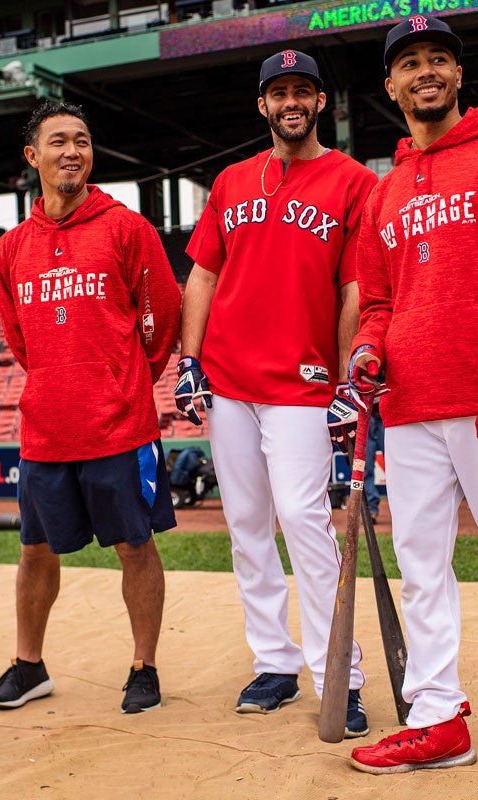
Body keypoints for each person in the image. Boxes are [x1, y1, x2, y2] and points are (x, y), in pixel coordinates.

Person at [346, 17, 478, 774]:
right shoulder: (385, 190)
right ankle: (438, 715)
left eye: (440, 58)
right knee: (421, 565)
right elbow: (376, 301)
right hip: (408, 406)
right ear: (391, 86)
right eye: (410, 63)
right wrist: (368, 350)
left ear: (459, 75)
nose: (426, 71)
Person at [175, 50, 378, 738]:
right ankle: (275, 661)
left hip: (302, 382)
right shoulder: (232, 182)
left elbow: (354, 288)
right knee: (247, 527)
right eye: (278, 92)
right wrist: (189, 359)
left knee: (303, 518)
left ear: (321, 102)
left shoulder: (352, 181)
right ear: (261, 106)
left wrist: (350, 372)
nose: (291, 102)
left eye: (303, 91)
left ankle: (339, 675)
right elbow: (201, 275)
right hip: (229, 382)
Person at [0, 101, 182, 715]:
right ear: (32, 157)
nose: (72, 151)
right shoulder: (13, 246)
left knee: (135, 545)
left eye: (83, 141)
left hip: (120, 426)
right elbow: (18, 335)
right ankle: (29, 665)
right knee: (34, 552)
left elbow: (162, 316)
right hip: (45, 429)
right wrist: (60, 379)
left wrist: (122, 379)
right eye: (59, 141)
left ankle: (143, 668)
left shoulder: (126, 228)